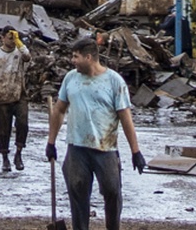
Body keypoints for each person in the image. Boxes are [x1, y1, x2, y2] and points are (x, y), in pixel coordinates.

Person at [47, 37, 145, 230]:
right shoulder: (71, 78)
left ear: (89, 57)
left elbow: (125, 118)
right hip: (77, 149)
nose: (72, 61)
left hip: (105, 149)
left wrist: (136, 152)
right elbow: (58, 110)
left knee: (112, 192)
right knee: (77, 194)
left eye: (76, 57)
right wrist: (51, 142)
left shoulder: (114, 81)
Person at [0, 26, 31, 172]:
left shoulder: (20, 52)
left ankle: (19, 153)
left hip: (19, 93)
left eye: (14, 38)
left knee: (23, 123)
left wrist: (19, 42)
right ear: (2, 37)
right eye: (9, 38)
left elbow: (28, 56)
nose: (12, 41)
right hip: (1, 95)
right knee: (3, 129)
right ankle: (5, 158)